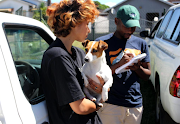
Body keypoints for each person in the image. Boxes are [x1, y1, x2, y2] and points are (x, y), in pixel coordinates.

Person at [41, 0, 104, 124]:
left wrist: (100, 88)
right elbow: (80, 107)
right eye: (87, 24)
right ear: (74, 23)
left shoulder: (79, 53)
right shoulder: (58, 57)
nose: (89, 30)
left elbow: (99, 86)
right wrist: (99, 104)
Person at [95, 5, 151, 124]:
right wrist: (118, 65)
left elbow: (147, 75)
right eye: (126, 26)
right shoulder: (102, 44)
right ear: (116, 21)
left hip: (134, 105)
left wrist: (137, 68)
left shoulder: (141, 44)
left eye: (133, 26)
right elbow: (95, 76)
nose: (130, 30)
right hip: (110, 104)